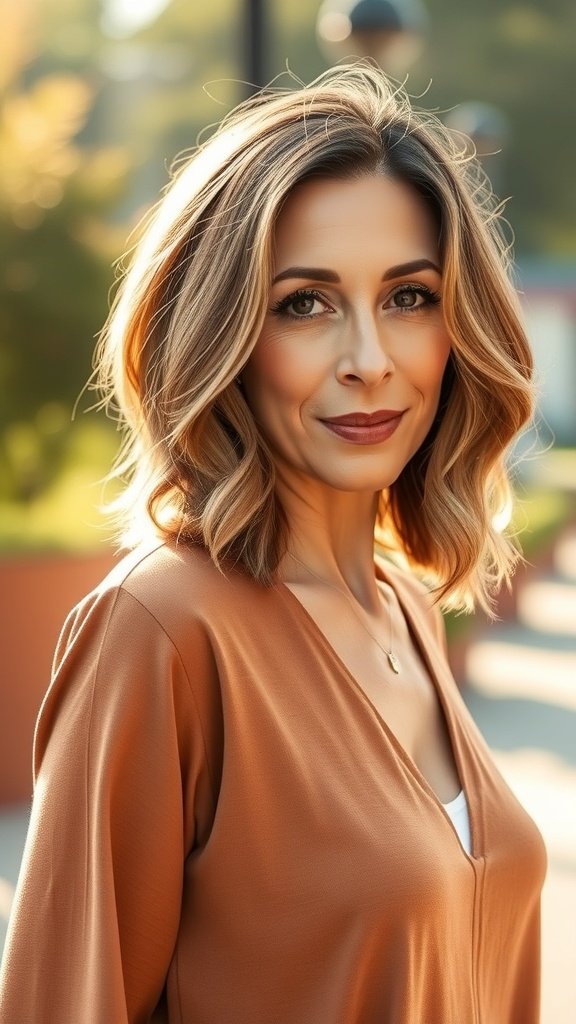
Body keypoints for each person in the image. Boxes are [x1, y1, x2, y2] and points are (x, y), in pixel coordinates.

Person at [0, 63, 546, 1023]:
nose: (369, 360)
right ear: (224, 336)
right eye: (305, 303)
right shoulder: (161, 631)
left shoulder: (405, 607)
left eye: (409, 297)